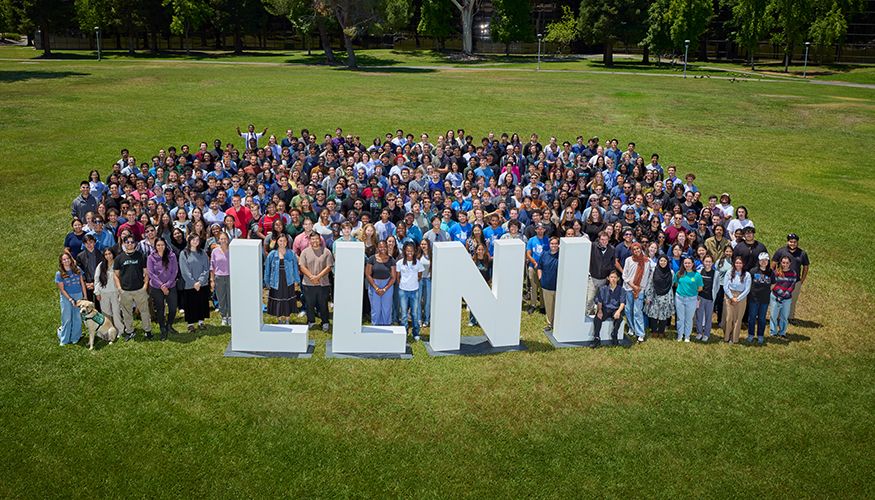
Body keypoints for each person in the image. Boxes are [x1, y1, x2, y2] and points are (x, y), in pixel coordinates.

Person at [113, 235, 153, 341]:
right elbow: (116, 275)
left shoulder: (141, 256)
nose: (130, 244)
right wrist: (119, 288)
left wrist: (145, 286)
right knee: (127, 313)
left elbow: (146, 273)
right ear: (124, 244)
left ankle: (147, 330)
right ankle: (129, 331)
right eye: (127, 242)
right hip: (125, 291)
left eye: (132, 242)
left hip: (139, 289)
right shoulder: (119, 258)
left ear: (135, 243)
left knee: (144, 311)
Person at [299, 232, 334, 331]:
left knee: (323, 304)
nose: (315, 241)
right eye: (313, 239)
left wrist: (317, 277)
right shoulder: (305, 252)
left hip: (323, 283)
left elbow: (328, 267)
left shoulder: (326, 252)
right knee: (309, 304)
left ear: (320, 240)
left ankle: (325, 322)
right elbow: (302, 266)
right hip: (308, 283)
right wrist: (311, 277)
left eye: (317, 239)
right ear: (310, 241)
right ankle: (311, 321)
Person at [771, 233, 809, 321]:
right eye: (791, 242)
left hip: (795, 281)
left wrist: (801, 280)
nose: (793, 244)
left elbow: (806, 267)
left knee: (792, 300)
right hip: (781, 280)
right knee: (779, 298)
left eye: (795, 242)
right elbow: (773, 264)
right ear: (788, 242)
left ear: (797, 242)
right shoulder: (781, 251)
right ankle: (778, 317)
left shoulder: (802, 253)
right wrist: (773, 277)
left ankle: (790, 317)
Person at [264, 233, 300, 325]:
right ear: (277, 242)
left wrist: (296, 280)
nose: (282, 242)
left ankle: (287, 319)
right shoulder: (272, 254)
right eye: (280, 240)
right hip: (276, 281)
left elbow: (295, 267)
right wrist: (267, 281)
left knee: (287, 299)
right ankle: (279, 319)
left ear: (287, 242)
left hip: (288, 280)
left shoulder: (291, 253)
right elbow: (267, 269)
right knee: (278, 299)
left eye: (284, 241)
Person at [147, 238, 179, 340]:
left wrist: (167, 284)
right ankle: (163, 329)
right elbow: (151, 273)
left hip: (171, 286)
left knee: (173, 307)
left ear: (166, 245)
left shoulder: (172, 256)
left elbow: (175, 271)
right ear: (155, 246)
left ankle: (169, 324)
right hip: (156, 287)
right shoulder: (151, 257)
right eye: (158, 245)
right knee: (160, 309)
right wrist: (161, 285)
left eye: (162, 245)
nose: (161, 247)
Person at [622, 242, 653, 343]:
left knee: (637, 311)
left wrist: (640, 287)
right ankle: (632, 328)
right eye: (634, 249)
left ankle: (640, 333)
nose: (636, 251)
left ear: (641, 249)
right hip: (628, 288)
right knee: (628, 310)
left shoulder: (647, 262)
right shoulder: (628, 260)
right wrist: (632, 285)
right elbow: (624, 275)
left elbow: (647, 277)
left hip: (640, 290)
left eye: (638, 249)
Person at [179, 234, 211, 332]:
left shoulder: (203, 253)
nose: (195, 241)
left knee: (201, 303)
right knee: (191, 304)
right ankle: (191, 324)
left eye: (197, 240)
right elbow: (184, 271)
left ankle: (201, 322)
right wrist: (193, 283)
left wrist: (200, 281)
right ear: (189, 241)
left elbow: (206, 268)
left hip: (202, 284)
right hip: (190, 285)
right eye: (193, 240)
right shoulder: (183, 253)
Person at [56, 252, 86, 346]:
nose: (66, 261)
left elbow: (82, 283)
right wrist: (70, 299)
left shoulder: (77, 270)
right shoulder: (59, 274)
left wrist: (85, 297)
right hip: (66, 297)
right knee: (67, 318)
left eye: (67, 259)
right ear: (61, 262)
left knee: (77, 317)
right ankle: (64, 339)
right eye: (64, 259)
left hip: (78, 295)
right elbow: (62, 289)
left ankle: (75, 337)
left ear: (71, 259)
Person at [396, 242, 424, 340]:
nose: (409, 252)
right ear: (404, 251)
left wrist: (413, 283)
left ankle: (416, 333)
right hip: (403, 291)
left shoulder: (418, 263)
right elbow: (398, 277)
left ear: (414, 251)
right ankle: (404, 331)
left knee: (414, 313)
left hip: (414, 291)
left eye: (411, 251)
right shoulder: (399, 263)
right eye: (407, 250)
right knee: (403, 313)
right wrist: (403, 284)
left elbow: (419, 276)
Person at [94, 247, 123, 339]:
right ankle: (108, 330)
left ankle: (120, 330)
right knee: (106, 313)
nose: (108, 256)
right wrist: (97, 293)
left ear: (113, 254)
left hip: (115, 292)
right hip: (104, 293)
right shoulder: (101, 265)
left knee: (116, 312)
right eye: (106, 254)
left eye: (109, 254)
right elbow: (97, 280)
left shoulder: (117, 264)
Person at [365, 240, 396, 326]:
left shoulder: (391, 260)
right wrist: (376, 287)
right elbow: (368, 274)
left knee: (386, 308)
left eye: (384, 247)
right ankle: (375, 327)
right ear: (377, 248)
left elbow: (393, 277)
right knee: (376, 309)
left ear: (387, 247)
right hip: (374, 285)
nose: (383, 248)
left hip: (387, 286)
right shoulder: (372, 259)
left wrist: (385, 288)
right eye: (380, 247)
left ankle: (386, 326)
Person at [591, 270, 625, 347]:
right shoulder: (603, 289)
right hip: (605, 309)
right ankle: (596, 337)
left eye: (615, 277)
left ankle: (614, 335)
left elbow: (622, 302)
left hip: (615, 309)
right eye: (611, 277)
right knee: (597, 318)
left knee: (619, 318)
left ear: (618, 279)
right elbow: (599, 301)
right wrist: (599, 311)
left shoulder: (621, 290)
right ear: (608, 278)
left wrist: (618, 311)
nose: (613, 279)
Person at [673, 256, 703, 342]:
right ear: (683, 264)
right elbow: (676, 284)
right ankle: (680, 335)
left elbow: (700, 288)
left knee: (689, 318)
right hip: (679, 298)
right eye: (685, 263)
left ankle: (687, 336)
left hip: (691, 299)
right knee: (680, 318)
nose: (687, 265)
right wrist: (683, 290)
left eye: (689, 263)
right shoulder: (679, 273)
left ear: (693, 264)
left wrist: (690, 291)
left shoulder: (697, 275)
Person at [722, 256, 751, 344]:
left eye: (740, 263)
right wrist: (731, 297)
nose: (738, 264)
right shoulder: (729, 272)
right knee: (728, 317)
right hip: (729, 295)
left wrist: (738, 298)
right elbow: (725, 286)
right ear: (734, 263)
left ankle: (734, 338)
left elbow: (747, 289)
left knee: (737, 319)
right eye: (736, 263)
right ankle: (726, 337)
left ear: (743, 264)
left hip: (741, 297)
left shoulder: (747, 275)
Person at [644, 255, 674, 338]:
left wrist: (670, 299)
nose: (663, 262)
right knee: (654, 314)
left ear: (667, 262)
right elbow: (650, 283)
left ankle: (661, 332)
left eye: (665, 261)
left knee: (663, 315)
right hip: (655, 295)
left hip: (666, 296)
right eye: (661, 261)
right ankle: (654, 331)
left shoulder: (671, 272)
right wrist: (648, 296)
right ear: (658, 261)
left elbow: (671, 285)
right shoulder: (654, 271)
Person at [747, 252, 773, 344]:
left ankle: (760, 335)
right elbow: (748, 283)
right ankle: (750, 334)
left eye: (765, 260)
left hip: (764, 300)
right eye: (761, 260)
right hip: (754, 299)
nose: (763, 262)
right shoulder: (753, 271)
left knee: (762, 318)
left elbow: (773, 284)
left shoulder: (770, 272)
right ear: (758, 261)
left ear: (768, 261)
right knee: (752, 317)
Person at [770, 255, 798, 340]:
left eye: (787, 263)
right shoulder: (775, 272)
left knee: (784, 316)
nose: (785, 264)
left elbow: (792, 285)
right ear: (780, 263)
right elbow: (774, 284)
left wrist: (786, 294)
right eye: (783, 262)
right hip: (775, 297)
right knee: (773, 316)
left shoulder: (793, 273)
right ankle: (773, 332)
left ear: (790, 263)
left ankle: (782, 332)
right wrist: (781, 293)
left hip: (787, 298)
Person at [588, 230, 615, 316]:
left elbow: (612, 263)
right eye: (602, 239)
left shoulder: (611, 249)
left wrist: (609, 276)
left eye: (606, 239)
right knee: (590, 298)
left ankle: (598, 315)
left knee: (601, 299)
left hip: (603, 279)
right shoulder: (593, 246)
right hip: (593, 277)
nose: (604, 241)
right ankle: (588, 313)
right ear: (599, 239)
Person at [694, 255, 720, 342]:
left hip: (710, 299)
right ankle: (699, 332)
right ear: (703, 262)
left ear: (712, 263)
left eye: (709, 262)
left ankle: (706, 334)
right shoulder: (699, 272)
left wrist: (714, 296)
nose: (708, 263)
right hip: (700, 298)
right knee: (699, 316)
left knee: (709, 317)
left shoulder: (716, 273)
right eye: (706, 261)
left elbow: (717, 286)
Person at [525, 223, 549, 314]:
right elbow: (528, 254)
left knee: (542, 286)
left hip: (544, 268)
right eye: (538, 229)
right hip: (533, 266)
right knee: (533, 286)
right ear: (535, 230)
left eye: (541, 229)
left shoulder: (547, 240)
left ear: (544, 230)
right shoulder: (531, 240)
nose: (540, 230)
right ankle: (533, 304)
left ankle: (543, 306)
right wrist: (534, 262)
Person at [538, 237, 560, 334]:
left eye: (556, 244)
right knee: (549, 306)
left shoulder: (562, 255)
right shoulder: (544, 254)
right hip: (547, 285)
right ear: (549, 244)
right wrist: (540, 278)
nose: (554, 245)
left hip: (559, 286)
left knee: (558, 306)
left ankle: (558, 323)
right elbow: (539, 267)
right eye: (552, 243)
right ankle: (550, 324)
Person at [210, 232, 232, 325]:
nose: (223, 241)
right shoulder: (215, 251)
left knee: (230, 297)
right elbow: (212, 266)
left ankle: (230, 316)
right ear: (218, 240)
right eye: (221, 239)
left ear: (228, 239)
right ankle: (224, 316)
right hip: (219, 277)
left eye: (225, 239)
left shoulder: (232, 250)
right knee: (221, 297)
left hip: (230, 276)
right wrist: (212, 280)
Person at [418, 239, 433, 327]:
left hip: (428, 279)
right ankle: (419, 319)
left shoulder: (432, 256)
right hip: (419, 280)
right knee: (419, 300)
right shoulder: (418, 255)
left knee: (427, 301)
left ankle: (427, 319)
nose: (423, 246)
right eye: (422, 244)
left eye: (425, 244)